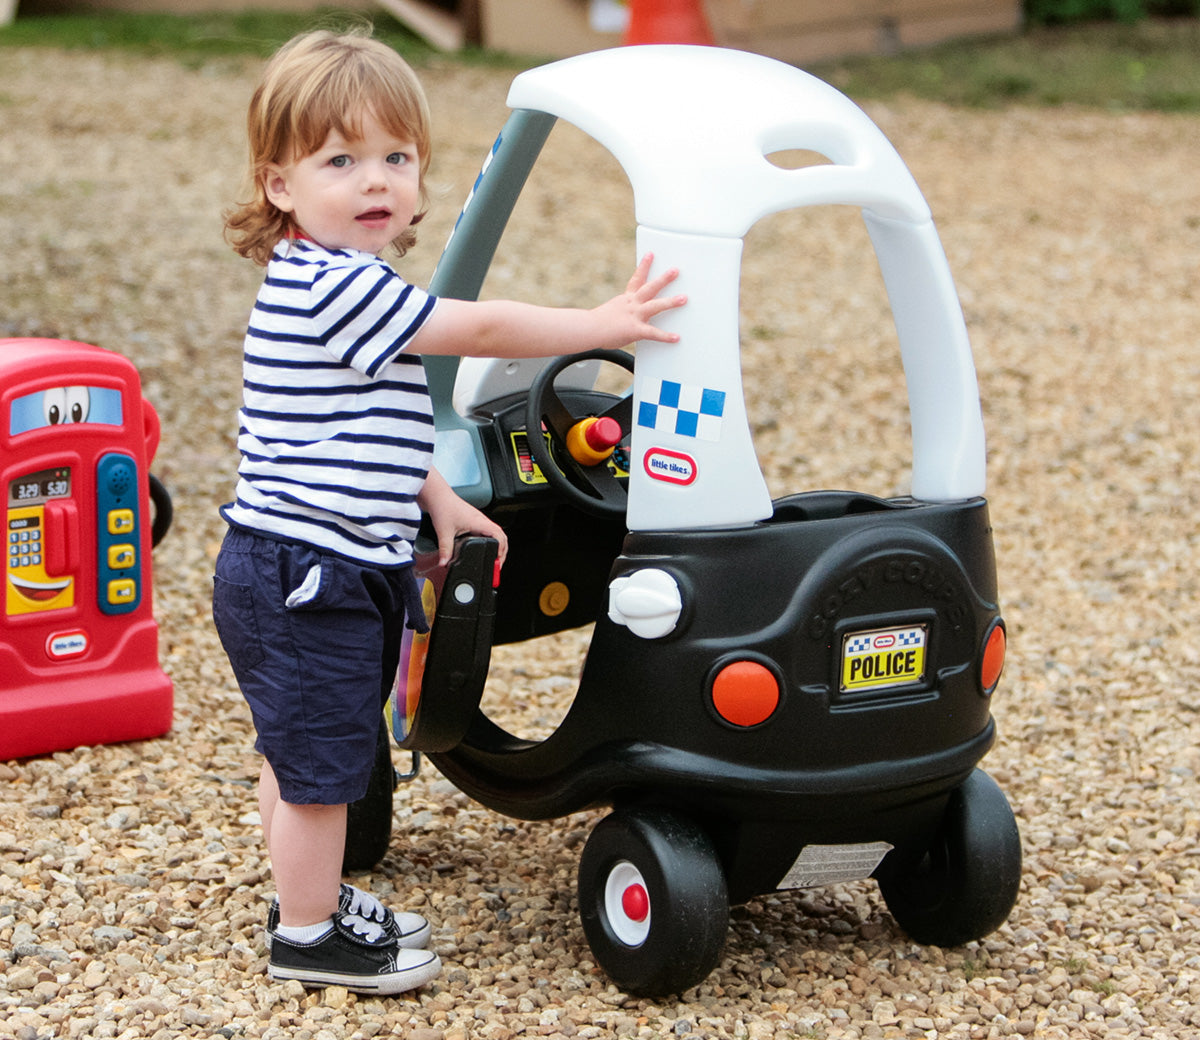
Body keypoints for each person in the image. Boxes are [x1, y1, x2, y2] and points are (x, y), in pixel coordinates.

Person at [211, 27, 686, 996]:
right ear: (280, 186)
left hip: (325, 561)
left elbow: (383, 417)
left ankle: (310, 892)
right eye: (339, 160)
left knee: (303, 743)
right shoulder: (325, 284)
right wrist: (600, 325)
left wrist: (440, 502)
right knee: (322, 765)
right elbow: (473, 329)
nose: (374, 178)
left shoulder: (352, 281)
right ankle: (304, 930)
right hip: (308, 571)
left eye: (395, 156)